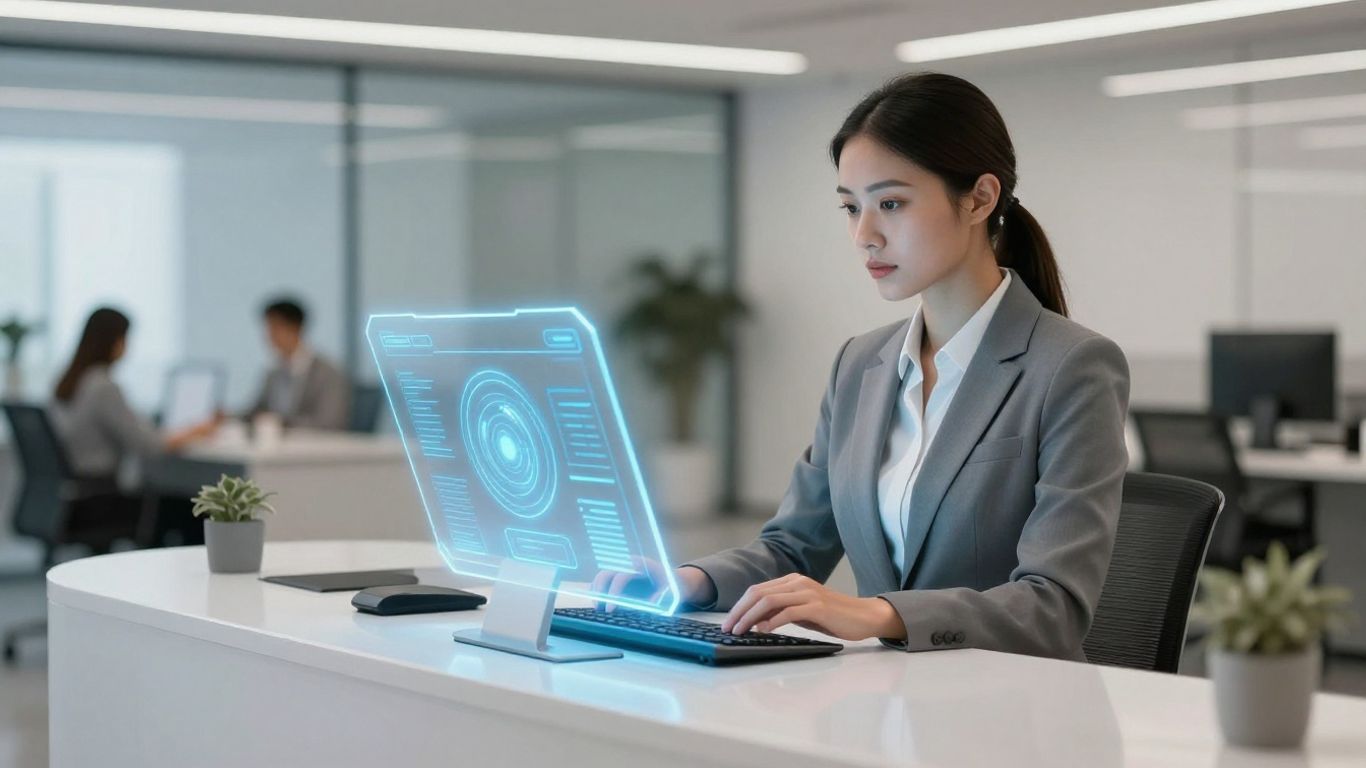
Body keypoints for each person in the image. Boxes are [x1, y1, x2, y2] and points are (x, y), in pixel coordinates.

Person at [602, 73, 1130, 661]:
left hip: (1012, 715)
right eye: (851, 207)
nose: (864, 235)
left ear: (980, 198)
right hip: (885, 704)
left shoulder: (1072, 368)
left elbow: (1053, 603)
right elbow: (794, 546)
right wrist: (689, 580)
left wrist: (876, 614)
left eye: (892, 204)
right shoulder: (860, 364)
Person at [52, 307, 219, 478]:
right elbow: (148, 446)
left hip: (75, 485)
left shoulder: (70, 380)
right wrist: (197, 430)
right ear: (115, 342)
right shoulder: (103, 387)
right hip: (101, 490)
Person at [249, 297, 351, 431]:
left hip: (312, 447)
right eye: (268, 328)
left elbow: (330, 424)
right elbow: (255, 411)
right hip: (279, 446)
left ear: (295, 328)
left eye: (275, 328)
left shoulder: (328, 374)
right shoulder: (274, 372)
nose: (269, 335)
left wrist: (280, 424)